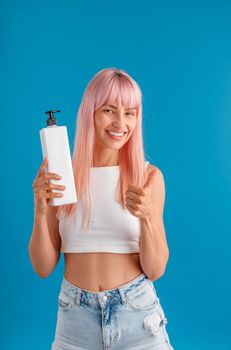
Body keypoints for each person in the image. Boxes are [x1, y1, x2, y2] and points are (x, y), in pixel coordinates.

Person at [29, 67, 174, 349]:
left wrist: (147, 218)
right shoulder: (61, 176)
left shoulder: (148, 177)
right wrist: (39, 209)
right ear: (90, 113)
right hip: (75, 321)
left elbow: (155, 270)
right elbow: (43, 267)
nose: (120, 122)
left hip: (137, 316)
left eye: (130, 113)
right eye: (109, 110)